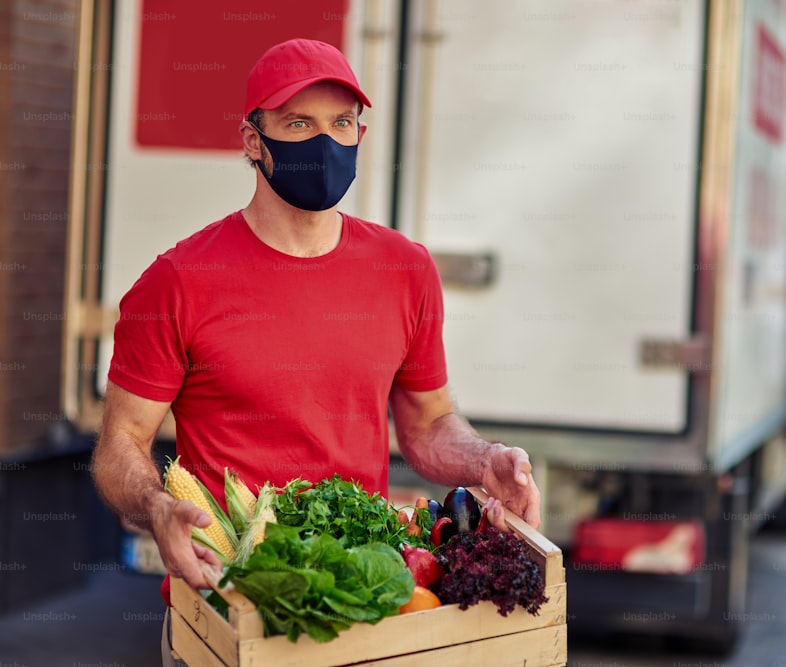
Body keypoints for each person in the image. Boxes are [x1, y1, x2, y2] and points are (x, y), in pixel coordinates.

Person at [88, 38, 541, 664]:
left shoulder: (404, 270)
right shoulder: (178, 282)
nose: (325, 142)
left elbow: (429, 424)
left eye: (342, 123)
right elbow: (120, 445)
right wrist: (157, 507)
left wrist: (483, 459)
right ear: (252, 140)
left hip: (361, 602)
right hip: (227, 600)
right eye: (298, 123)